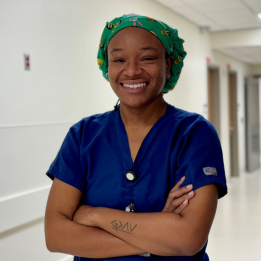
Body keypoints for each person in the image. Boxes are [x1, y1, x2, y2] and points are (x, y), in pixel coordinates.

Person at [44, 14, 227, 261]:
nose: (131, 71)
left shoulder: (194, 134)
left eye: (148, 58)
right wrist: (157, 235)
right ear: (107, 66)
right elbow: (56, 236)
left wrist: (95, 215)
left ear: (168, 63)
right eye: (119, 59)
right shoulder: (83, 136)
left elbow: (188, 238)